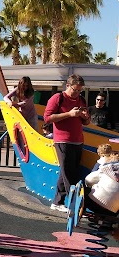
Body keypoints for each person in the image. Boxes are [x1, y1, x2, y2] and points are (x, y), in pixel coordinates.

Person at [44, 74, 90, 213]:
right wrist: (69, 114)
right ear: (68, 85)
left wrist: (85, 117)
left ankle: (57, 202)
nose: (77, 93)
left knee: (68, 171)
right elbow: (47, 118)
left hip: (77, 140)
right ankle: (74, 205)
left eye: (80, 90)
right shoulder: (58, 98)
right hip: (63, 140)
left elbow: (86, 122)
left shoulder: (81, 100)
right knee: (68, 174)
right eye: (75, 90)